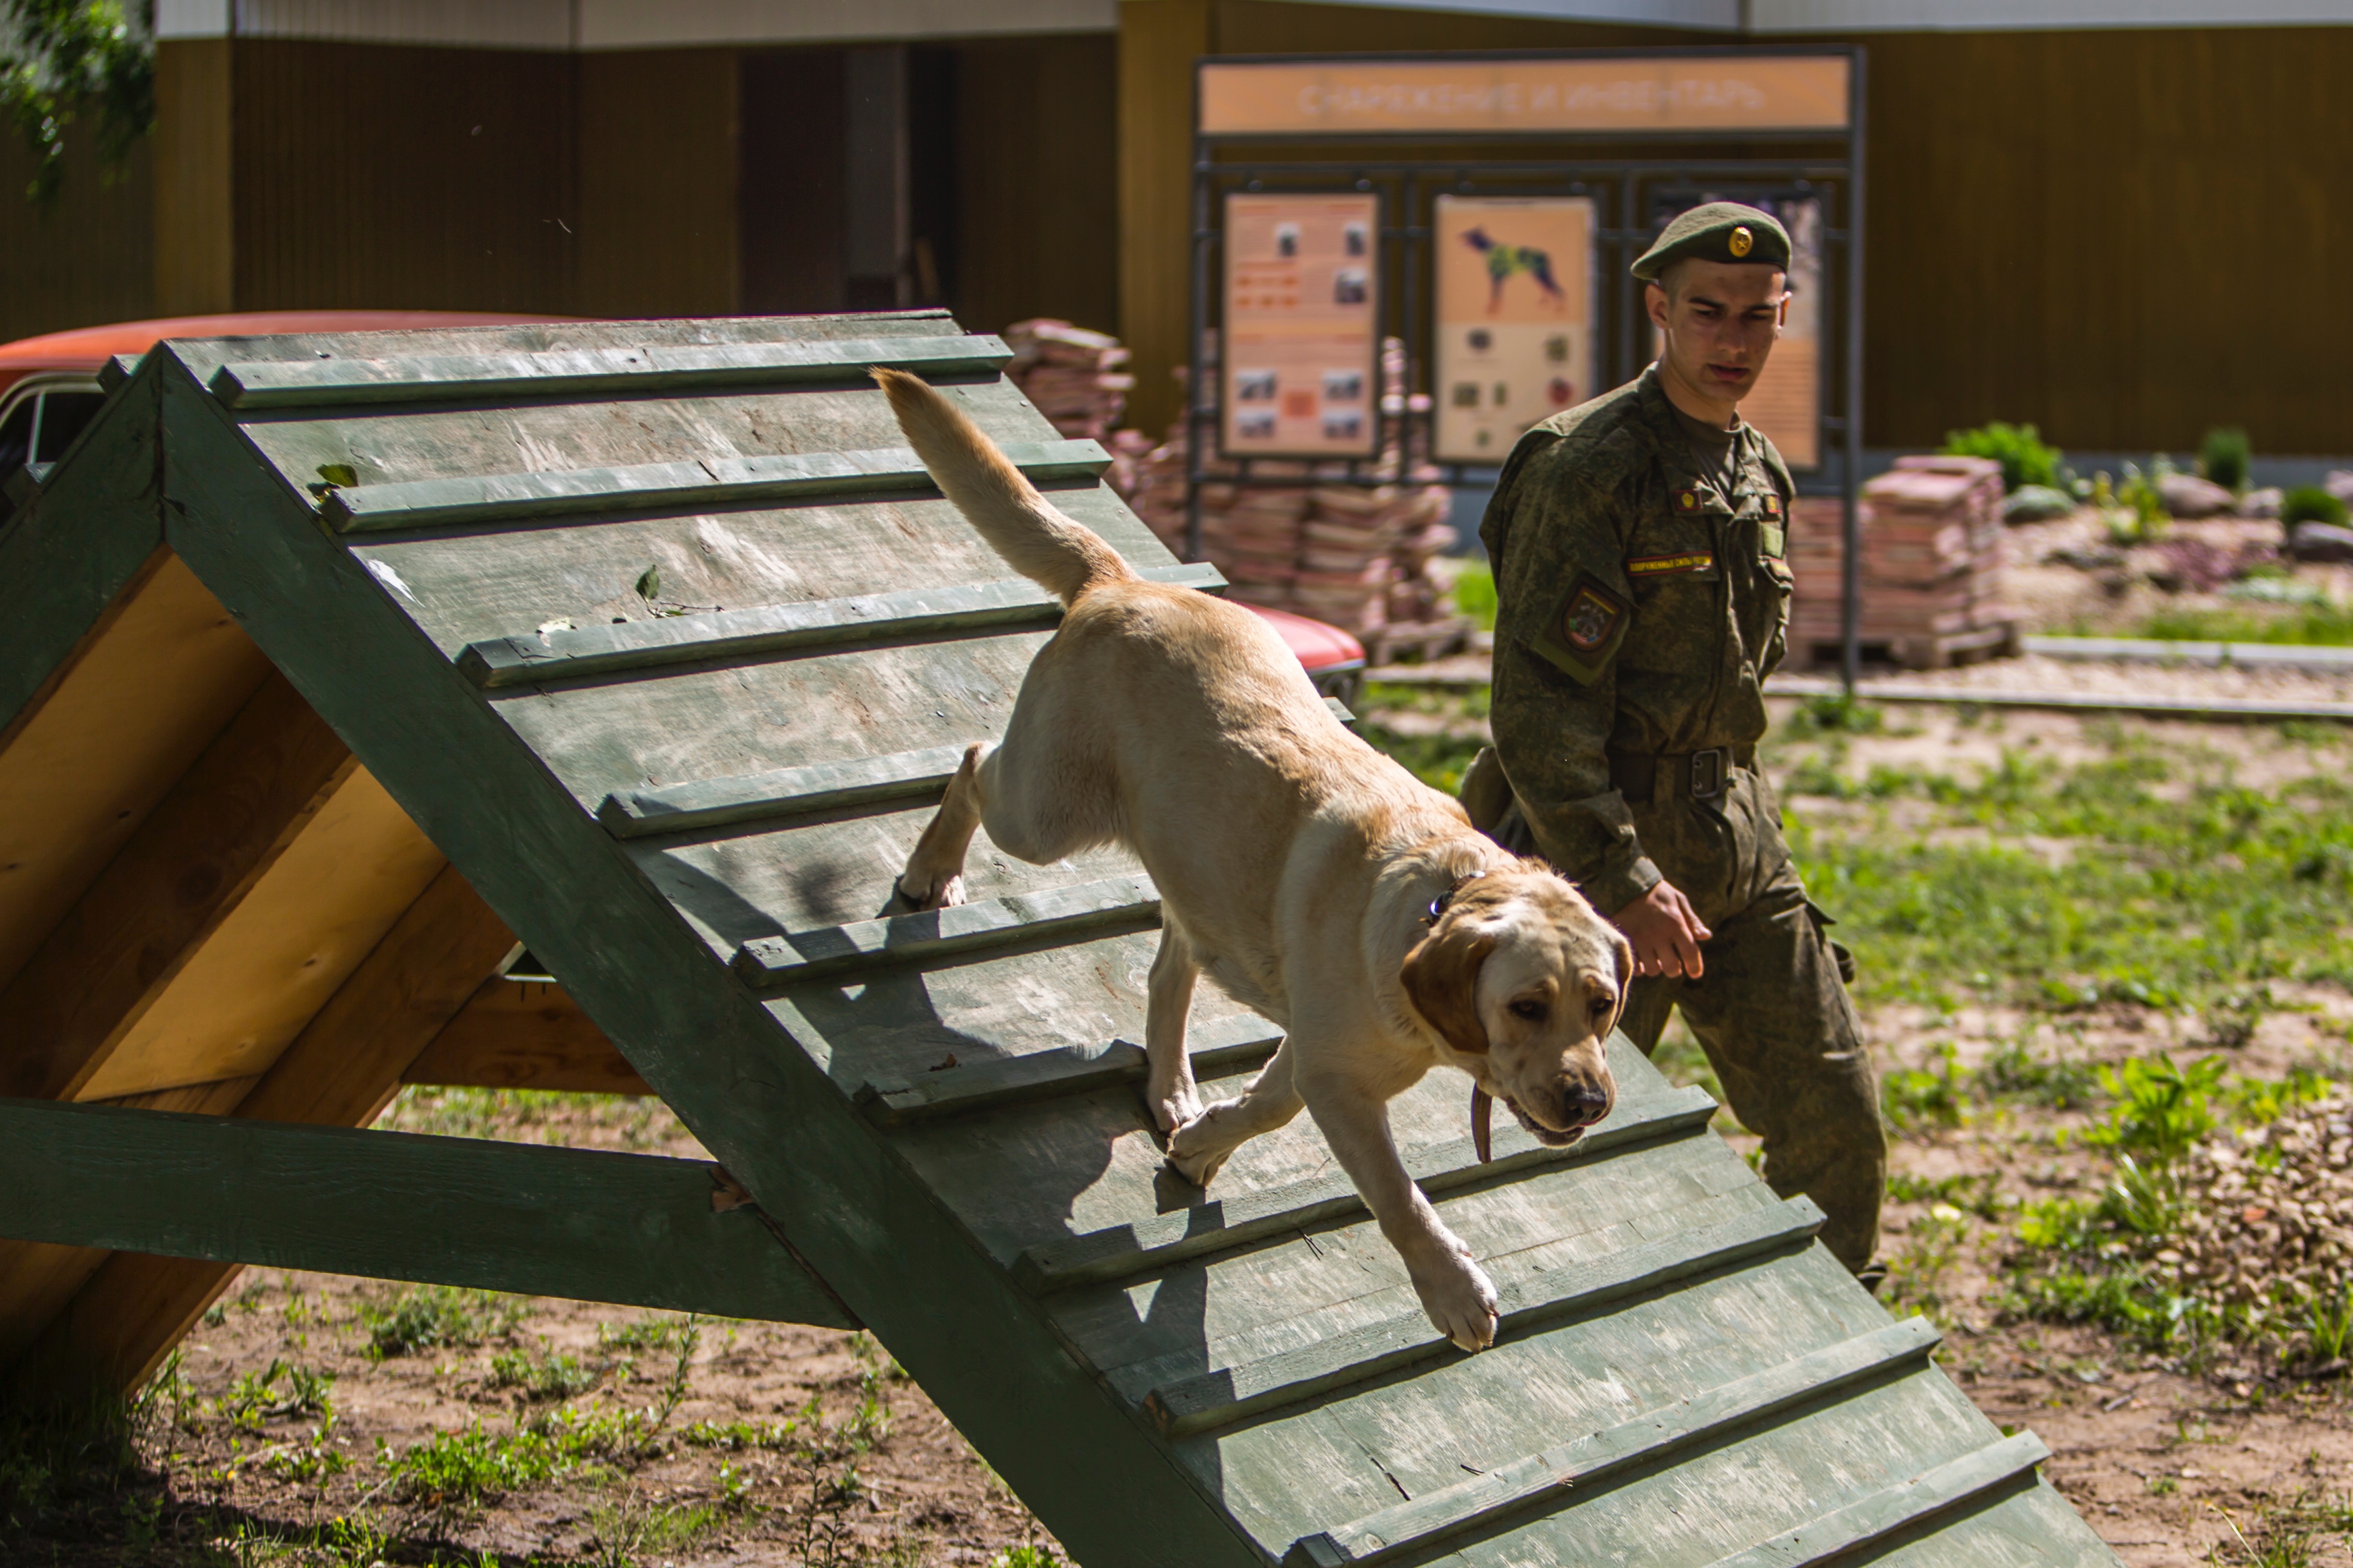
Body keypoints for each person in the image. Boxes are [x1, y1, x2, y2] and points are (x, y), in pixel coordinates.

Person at [1466, 201, 1885, 1281]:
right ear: (1660, 309)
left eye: (1760, 316)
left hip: (1732, 839)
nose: (1734, 340)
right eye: (1709, 312)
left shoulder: (1757, 471)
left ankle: (1828, 1361)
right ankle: (1513, 1344)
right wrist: (1621, 879)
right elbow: (1537, 709)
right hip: (1593, 851)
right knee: (1548, 1130)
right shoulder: (1592, 466)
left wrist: (1726, 837)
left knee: (1838, 1118)